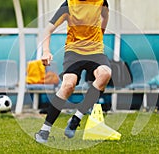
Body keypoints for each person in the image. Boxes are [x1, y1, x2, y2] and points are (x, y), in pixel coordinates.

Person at [35, 0, 110, 143]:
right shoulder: (68, 5)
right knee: (69, 85)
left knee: (105, 74)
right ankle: (44, 130)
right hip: (74, 51)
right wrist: (46, 51)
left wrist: (101, 34)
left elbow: (105, 15)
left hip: (95, 51)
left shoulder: (101, 2)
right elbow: (48, 30)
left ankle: (76, 119)